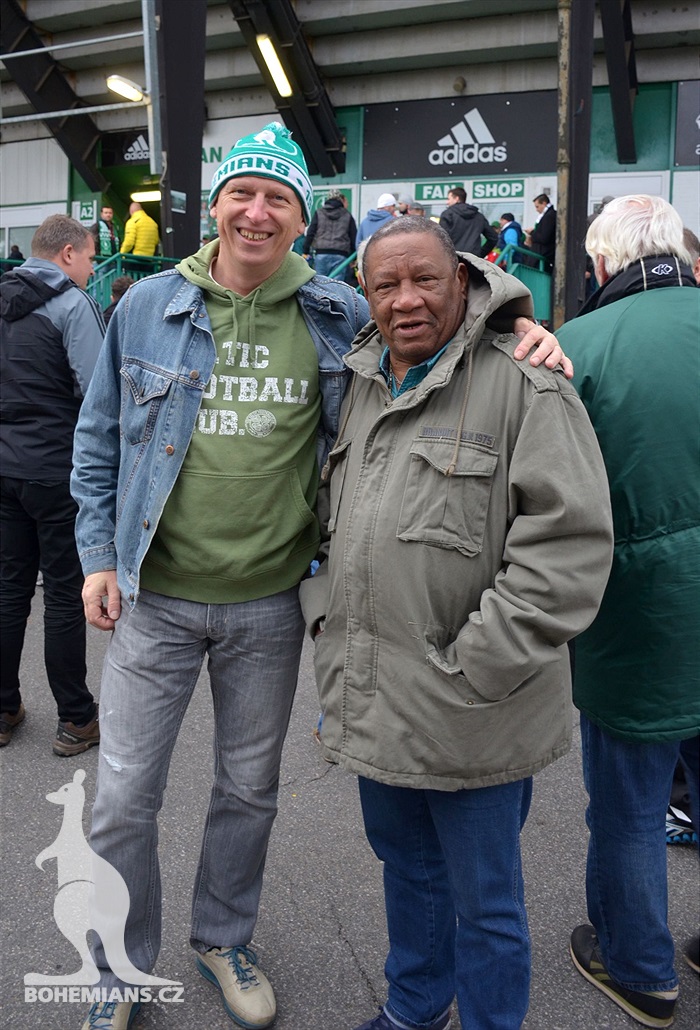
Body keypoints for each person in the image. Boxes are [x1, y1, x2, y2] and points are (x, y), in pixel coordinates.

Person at [299, 216, 614, 1030]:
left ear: (464, 281)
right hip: (377, 703)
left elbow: (568, 551)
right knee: (407, 874)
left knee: (488, 904)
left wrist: (473, 668)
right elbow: (334, 526)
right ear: (364, 296)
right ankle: (414, 1008)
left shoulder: (527, 381)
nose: (406, 300)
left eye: (425, 280)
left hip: (475, 710)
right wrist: (324, 622)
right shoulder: (363, 380)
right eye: (385, 285)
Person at [556, 195, 700, 1029]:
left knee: (630, 803)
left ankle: (640, 968)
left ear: (602, 265)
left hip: (638, 611)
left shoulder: (577, 347)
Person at [0, 214, 104, 754]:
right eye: (88, 258)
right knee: (65, 592)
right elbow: (96, 395)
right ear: (67, 254)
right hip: (56, 470)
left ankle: (2, 709)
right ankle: (76, 718)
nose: (90, 268)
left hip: (4, 468)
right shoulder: (71, 304)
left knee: (9, 589)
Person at [302, 188, 357, 281]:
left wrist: (305, 251)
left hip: (321, 254)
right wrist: (353, 257)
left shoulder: (319, 213)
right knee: (336, 285)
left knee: (320, 284)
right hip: (340, 255)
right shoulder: (347, 215)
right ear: (341, 200)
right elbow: (353, 236)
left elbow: (311, 233)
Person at [438, 186, 497, 257]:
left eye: (449, 199)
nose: (447, 202)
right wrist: (480, 254)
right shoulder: (479, 216)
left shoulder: (447, 214)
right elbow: (493, 238)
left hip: (453, 259)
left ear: (456, 198)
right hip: (473, 260)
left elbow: (442, 238)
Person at [524, 193, 556, 270]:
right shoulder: (551, 215)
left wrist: (532, 233)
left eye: (537, 207)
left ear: (544, 203)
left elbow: (544, 237)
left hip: (543, 252)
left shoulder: (549, 216)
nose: (537, 210)